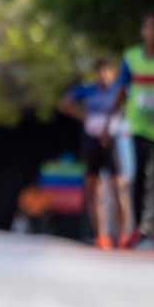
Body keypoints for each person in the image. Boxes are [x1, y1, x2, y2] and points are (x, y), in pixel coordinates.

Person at [58, 57, 129, 248]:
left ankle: (123, 236)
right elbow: (64, 104)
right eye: (100, 71)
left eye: (107, 71)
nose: (103, 75)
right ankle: (101, 236)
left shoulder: (120, 90)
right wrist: (83, 117)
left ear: (113, 74)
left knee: (118, 188)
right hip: (91, 142)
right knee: (93, 189)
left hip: (113, 141)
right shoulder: (87, 90)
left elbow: (130, 107)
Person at [111, 9, 154, 249]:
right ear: (142, 30)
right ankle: (140, 228)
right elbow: (121, 89)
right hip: (139, 125)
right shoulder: (132, 57)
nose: (153, 32)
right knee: (140, 176)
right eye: (149, 27)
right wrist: (111, 120)